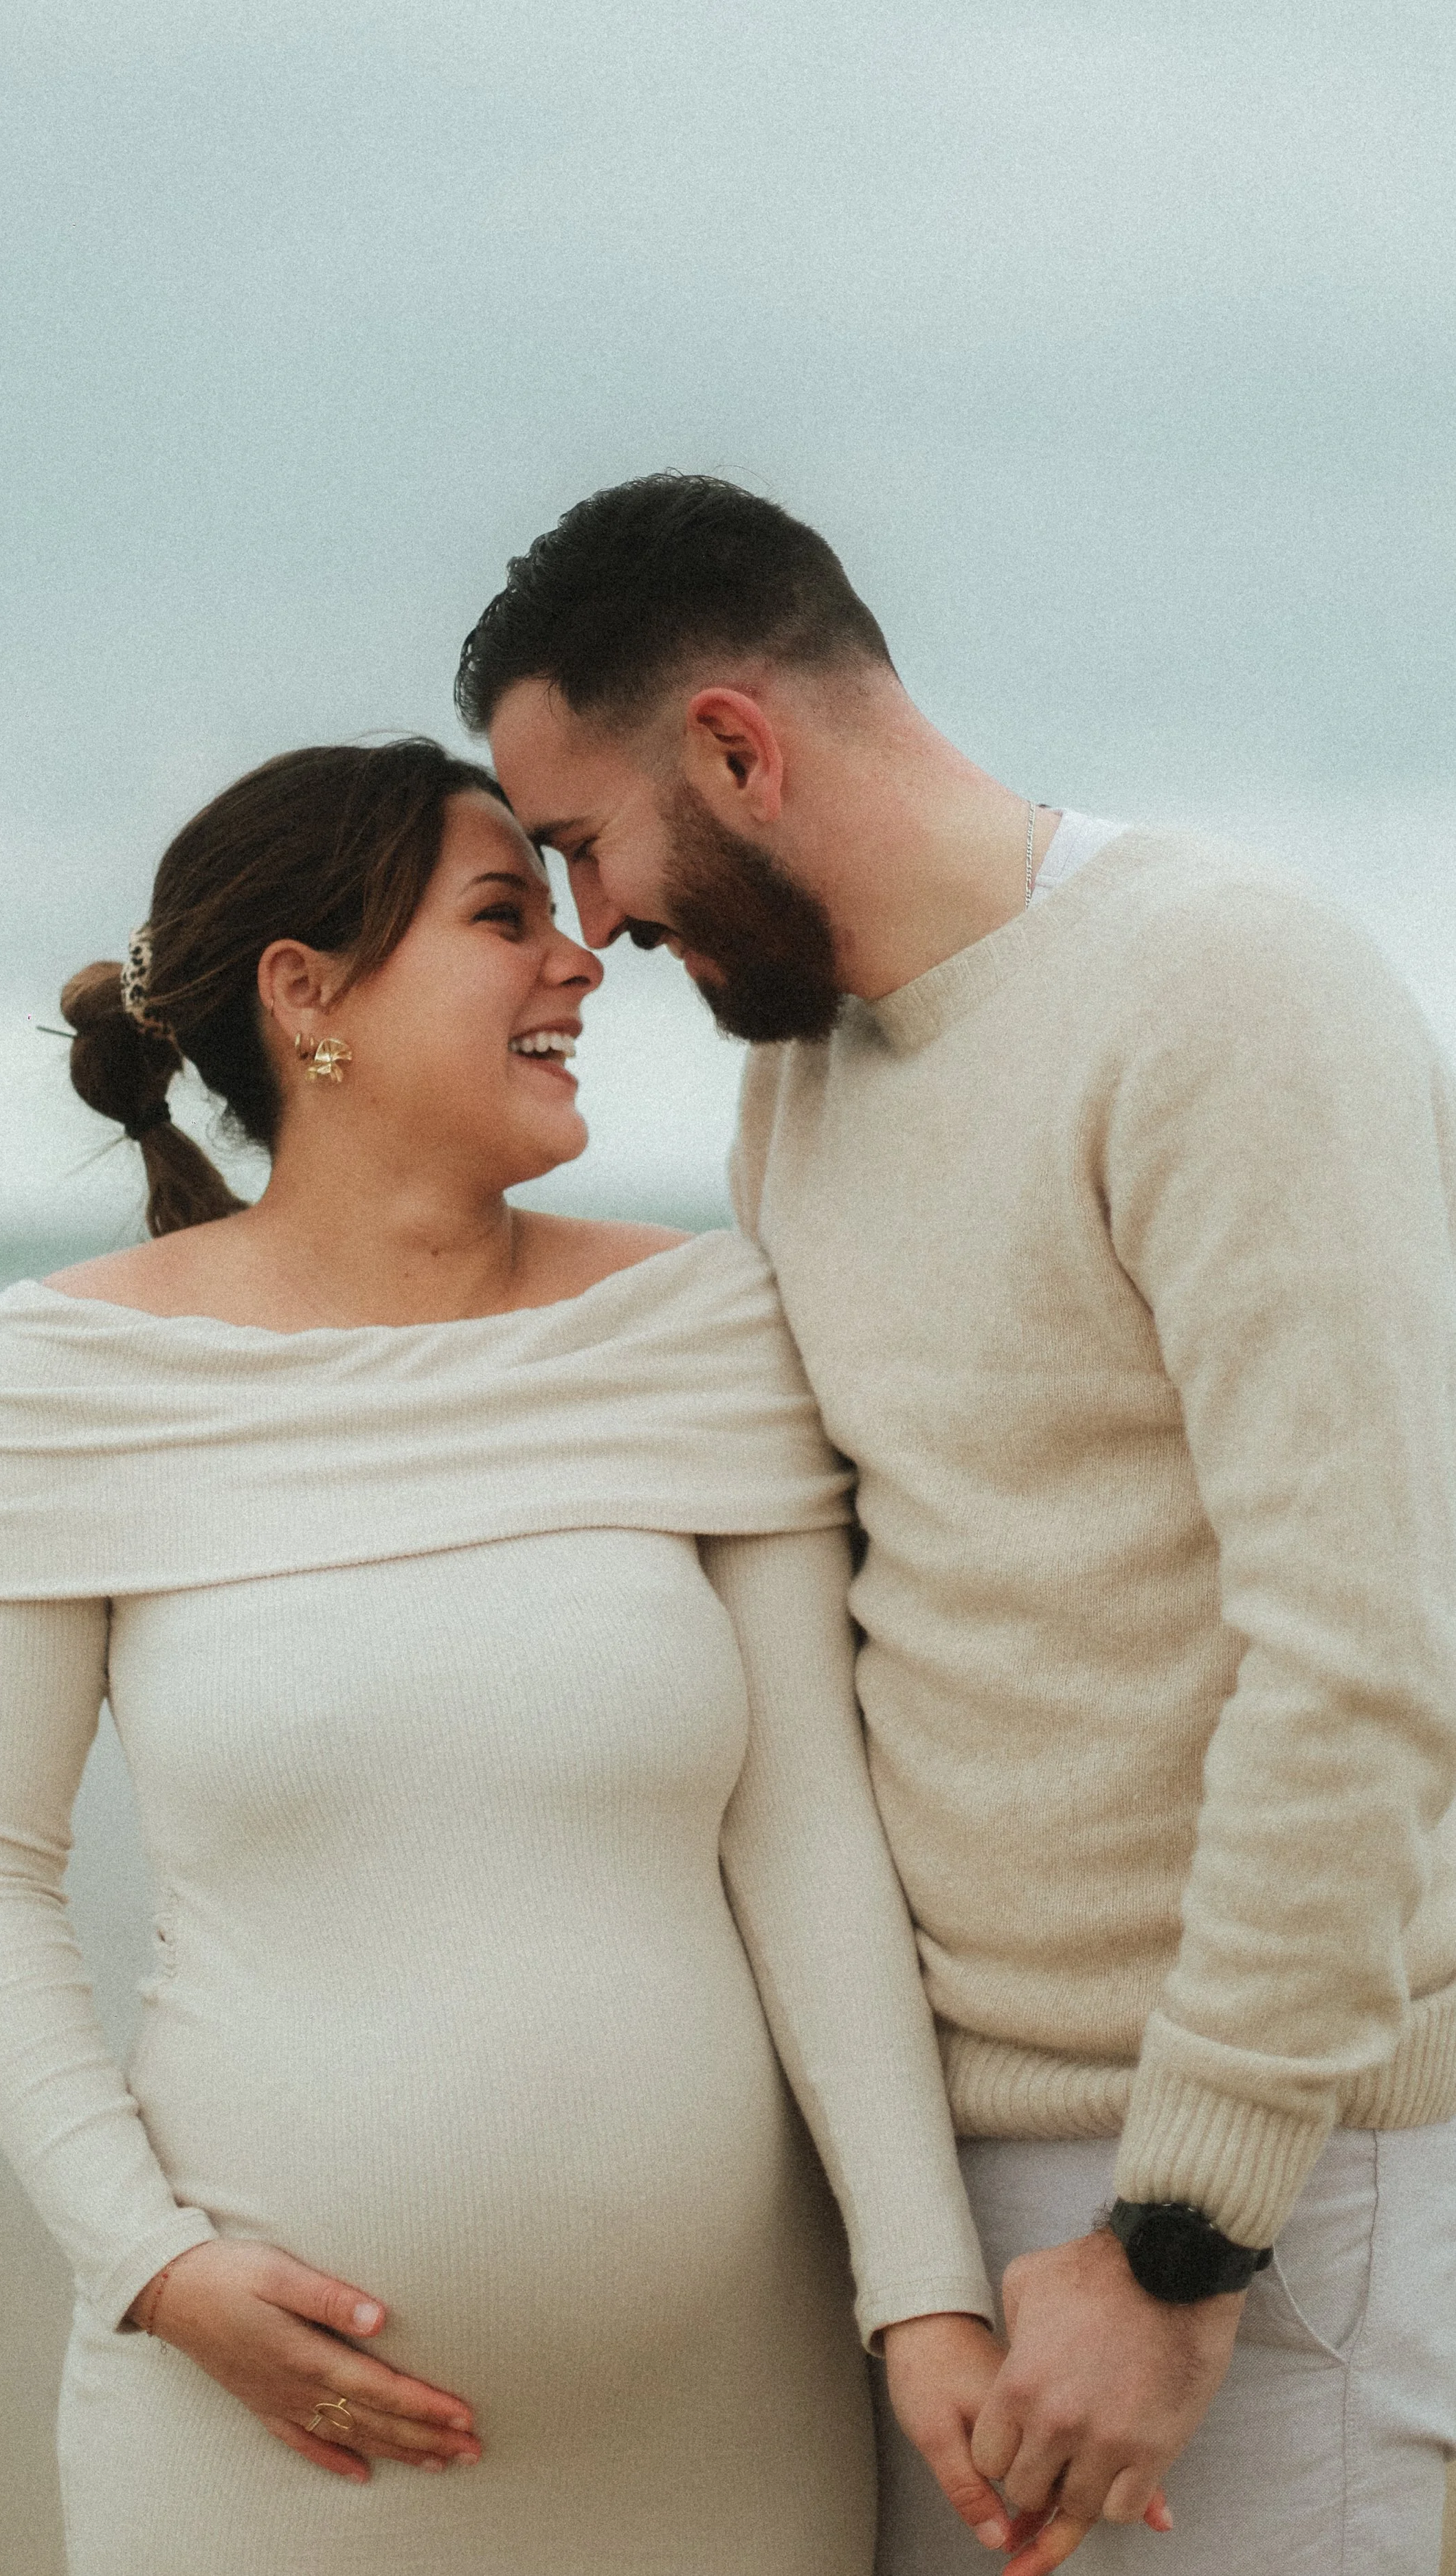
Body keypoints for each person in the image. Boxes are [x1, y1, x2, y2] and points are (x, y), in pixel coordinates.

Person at [0, 737, 1073, 2576]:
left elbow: (809, 1850)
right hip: (262, 2445)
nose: (580, 956)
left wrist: (921, 2290)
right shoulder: (75, 1378)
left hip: (723, 2432)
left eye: (562, 906)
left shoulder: (688, 1321)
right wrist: (149, 2262)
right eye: (499, 913)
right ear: (308, 997)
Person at [460, 475, 1456, 2576]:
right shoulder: (796, 1089)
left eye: (581, 840)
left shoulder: (1223, 990)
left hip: (1264, 2185)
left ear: (736, 744)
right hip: (961, 2206)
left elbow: (1371, 1648)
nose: (593, 925)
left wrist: (1178, 2239)